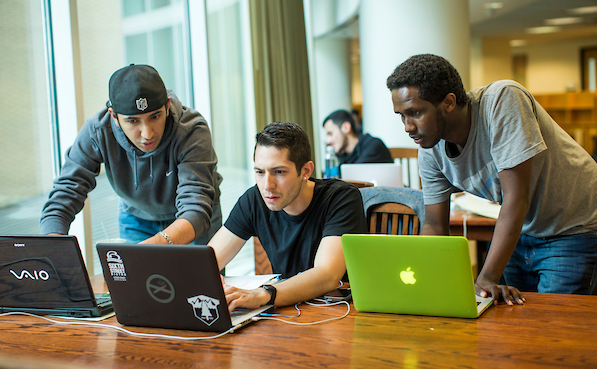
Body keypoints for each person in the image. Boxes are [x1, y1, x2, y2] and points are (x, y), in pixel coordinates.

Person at [386, 53, 597, 303]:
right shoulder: (430, 148)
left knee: (554, 328)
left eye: (415, 113)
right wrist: (425, 279)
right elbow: (434, 225)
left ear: (449, 102)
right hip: (521, 232)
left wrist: (485, 278)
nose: (407, 126)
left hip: (573, 227)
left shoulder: (502, 100)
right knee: (516, 327)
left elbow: (516, 198)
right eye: (401, 115)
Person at [40, 64, 222, 245]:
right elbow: (67, 190)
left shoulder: (191, 129)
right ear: (114, 116)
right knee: (137, 274)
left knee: (201, 275)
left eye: (155, 116)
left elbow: (196, 206)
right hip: (135, 217)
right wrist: (53, 242)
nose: (147, 134)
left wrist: (156, 245)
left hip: (192, 219)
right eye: (133, 121)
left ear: (167, 107)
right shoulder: (98, 131)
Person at [208, 122, 367, 310]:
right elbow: (206, 261)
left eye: (279, 172)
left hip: (340, 312)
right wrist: (205, 276)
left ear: (306, 171)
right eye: (260, 172)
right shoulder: (254, 200)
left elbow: (327, 275)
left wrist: (264, 294)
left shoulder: (340, 198)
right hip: (288, 312)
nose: (267, 185)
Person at [323, 109, 393, 165]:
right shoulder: (342, 155)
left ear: (346, 127)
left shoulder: (373, 146)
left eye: (330, 134)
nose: (328, 141)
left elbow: (354, 178)